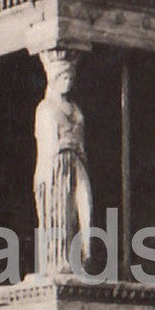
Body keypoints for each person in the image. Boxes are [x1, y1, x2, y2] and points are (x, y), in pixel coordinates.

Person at [33, 55, 92, 276]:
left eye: (71, 77)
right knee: (61, 210)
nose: (69, 81)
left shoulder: (76, 109)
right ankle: (60, 261)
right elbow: (47, 144)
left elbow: (81, 141)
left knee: (85, 205)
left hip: (77, 160)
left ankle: (85, 255)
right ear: (54, 79)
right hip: (56, 165)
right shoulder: (45, 108)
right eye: (64, 77)